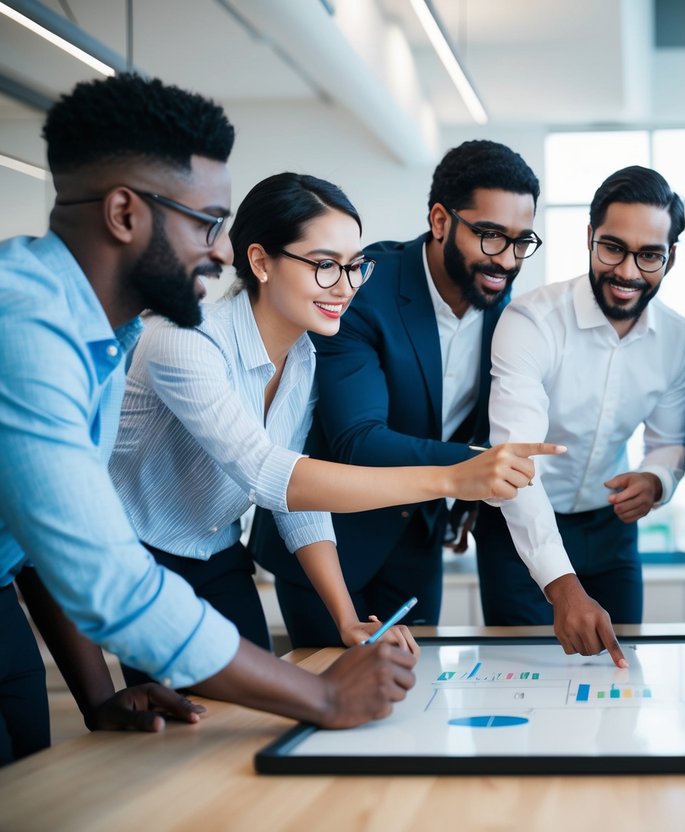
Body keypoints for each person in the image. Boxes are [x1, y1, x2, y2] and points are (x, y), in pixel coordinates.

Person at [0, 73, 416, 765]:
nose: (221, 251)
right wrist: (322, 697)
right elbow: (114, 583)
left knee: (27, 778)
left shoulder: (112, 337)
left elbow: (43, 530)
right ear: (125, 214)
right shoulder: (29, 331)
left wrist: (98, 699)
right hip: (138, 569)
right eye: (207, 223)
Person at [108, 172, 558, 686]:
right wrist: (455, 477)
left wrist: (347, 619)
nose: (345, 288)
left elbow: (297, 503)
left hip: (217, 554)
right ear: (260, 262)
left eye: (353, 267)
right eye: (325, 266)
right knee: (185, 733)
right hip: (137, 559)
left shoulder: (301, 357)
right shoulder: (186, 341)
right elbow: (268, 474)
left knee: (249, 718)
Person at [249, 140, 541, 640]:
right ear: (442, 221)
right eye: (491, 236)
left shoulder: (500, 300)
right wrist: (478, 466)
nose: (507, 260)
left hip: (416, 542)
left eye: (521, 242)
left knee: (417, 699)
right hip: (330, 542)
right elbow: (358, 440)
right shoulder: (364, 288)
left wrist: (468, 498)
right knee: (333, 699)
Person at [477, 166, 685, 666]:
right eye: (612, 248)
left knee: (620, 680)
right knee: (522, 685)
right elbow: (514, 464)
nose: (627, 271)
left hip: (611, 531)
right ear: (589, 238)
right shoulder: (531, 321)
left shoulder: (678, 339)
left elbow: (667, 440)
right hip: (518, 528)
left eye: (649, 256)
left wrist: (657, 479)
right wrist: (562, 586)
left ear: (671, 258)